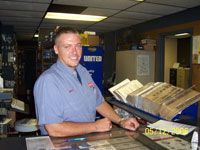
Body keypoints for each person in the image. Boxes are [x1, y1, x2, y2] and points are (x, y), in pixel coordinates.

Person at [34, 27, 139, 137]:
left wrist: (121, 121)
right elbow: (54, 129)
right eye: (67, 46)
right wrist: (95, 126)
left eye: (78, 46)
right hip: (60, 143)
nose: (74, 52)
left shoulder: (82, 71)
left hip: (85, 139)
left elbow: (98, 102)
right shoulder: (48, 81)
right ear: (56, 49)